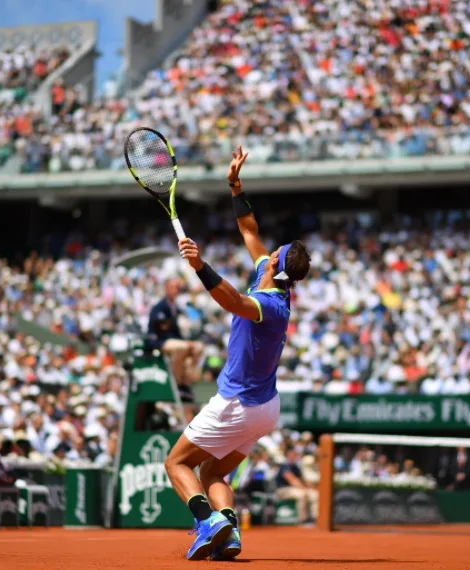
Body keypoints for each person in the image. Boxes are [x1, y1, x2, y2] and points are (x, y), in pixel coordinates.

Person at [164, 146, 311, 560]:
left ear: (276, 264)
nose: (268, 249)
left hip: (238, 404)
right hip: (265, 408)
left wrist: (199, 265)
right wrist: (234, 184)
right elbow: (248, 228)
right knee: (213, 470)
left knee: (176, 464)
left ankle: (206, 521)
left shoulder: (272, 305)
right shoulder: (268, 272)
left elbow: (230, 301)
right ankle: (227, 533)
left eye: (274, 251)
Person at [148, 278, 204, 389]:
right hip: (159, 341)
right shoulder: (160, 307)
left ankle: (187, 382)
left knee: (198, 347)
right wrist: (184, 342)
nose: (176, 290)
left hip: (175, 340)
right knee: (182, 347)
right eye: (173, 287)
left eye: (177, 288)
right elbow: (162, 331)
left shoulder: (176, 307)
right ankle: (176, 382)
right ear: (166, 289)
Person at [276, 447, 319, 523]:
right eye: (292, 454)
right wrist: (303, 488)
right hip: (283, 490)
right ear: (287, 455)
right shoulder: (284, 465)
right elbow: (292, 480)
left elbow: (303, 480)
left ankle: (315, 518)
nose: (294, 455)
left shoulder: (295, 466)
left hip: (296, 488)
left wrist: (312, 487)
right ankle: (303, 519)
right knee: (302, 494)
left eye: (294, 454)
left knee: (315, 494)